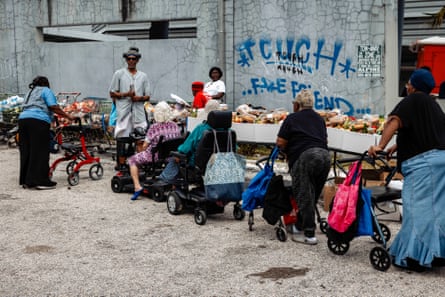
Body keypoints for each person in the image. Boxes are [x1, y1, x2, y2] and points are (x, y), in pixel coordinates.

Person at [368, 68, 445, 271]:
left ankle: (414, 257)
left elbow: (394, 122)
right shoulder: (434, 106)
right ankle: (437, 253)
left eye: (409, 82)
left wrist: (381, 146)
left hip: (423, 165)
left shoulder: (412, 100)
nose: (407, 86)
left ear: (414, 85)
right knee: (436, 210)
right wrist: (398, 146)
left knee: (416, 209)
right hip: (441, 162)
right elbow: (425, 134)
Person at [275, 89, 331, 245]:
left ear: (297, 105)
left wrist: (286, 151)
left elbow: (280, 142)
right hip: (324, 157)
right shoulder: (319, 119)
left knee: (304, 195)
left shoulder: (292, 118)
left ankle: (308, 233)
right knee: (311, 195)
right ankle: (299, 225)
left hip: (305, 157)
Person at [18, 76, 76, 190]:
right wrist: (68, 116)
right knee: (40, 151)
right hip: (38, 121)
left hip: (23, 120)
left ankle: (27, 180)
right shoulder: (46, 90)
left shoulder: (29, 92)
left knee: (27, 150)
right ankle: (41, 181)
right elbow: (53, 107)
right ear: (46, 83)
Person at [127, 101, 181, 201]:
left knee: (132, 160)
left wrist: (141, 147)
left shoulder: (154, 128)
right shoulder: (175, 126)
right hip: (170, 156)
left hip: (155, 156)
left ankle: (137, 186)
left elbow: (144, 146)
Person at [109, 46, 151, 169]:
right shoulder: (119, 74)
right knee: (122, 139)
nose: (131, 61)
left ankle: (139, 164)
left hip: (138, 112)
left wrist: (138, 98)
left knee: (140, 139)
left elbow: (147, 96)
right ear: (126, 60)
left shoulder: (143, 76)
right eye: (129, 59)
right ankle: (121, 164)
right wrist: (126, 94)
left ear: (138, 60)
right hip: (124, 112)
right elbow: (112, 93)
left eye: (134, 59)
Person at [159, 99, 220, 182]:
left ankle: (164, 180)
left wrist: (178, 152)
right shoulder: (229, 131)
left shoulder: (201, 128)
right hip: (219, 164)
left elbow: (185, 149)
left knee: (176, 157)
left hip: (199, 164)